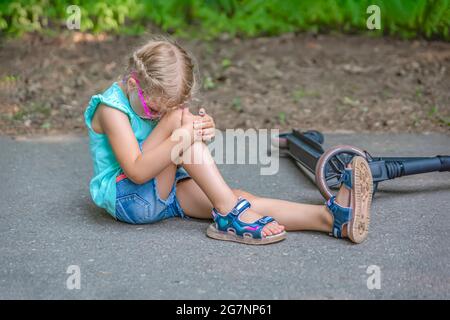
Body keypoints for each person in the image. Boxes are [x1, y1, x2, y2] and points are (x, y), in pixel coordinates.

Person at [84, 37, 374, 245]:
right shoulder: (111, 109)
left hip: (161, 188)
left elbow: (167, 147)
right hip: (130, 197)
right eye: (154, 110)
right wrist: (182, 135)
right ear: (134, 84)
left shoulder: (155, 101)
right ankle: (228, 216)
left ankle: (332, 219)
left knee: (238, 198)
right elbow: (136, 169)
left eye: (165, 108)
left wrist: (198, 129)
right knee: (182, 129)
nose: (156, 116)